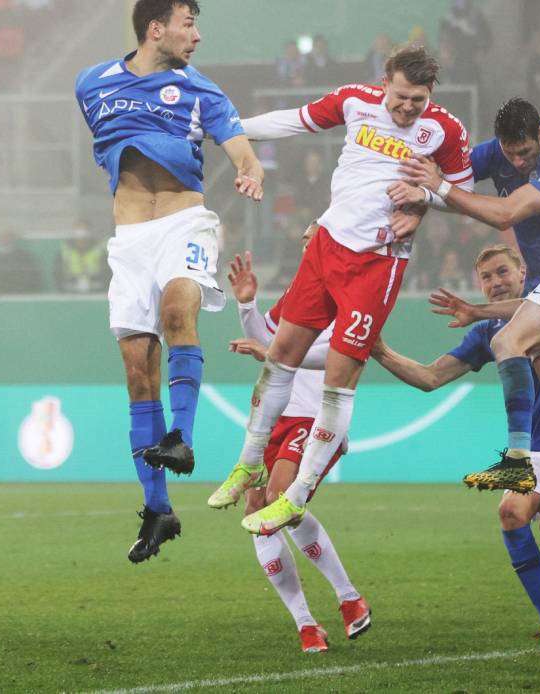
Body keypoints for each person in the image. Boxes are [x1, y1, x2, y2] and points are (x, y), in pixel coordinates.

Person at [217, 45, 473, 536]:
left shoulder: (446, 130)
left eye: (417, 100)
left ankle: (294, 496)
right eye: (400, 97)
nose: (406, 109)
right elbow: (293, 120)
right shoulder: (356, 101)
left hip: (377, 264)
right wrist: (231, 128)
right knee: (280, 358)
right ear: (385, 82)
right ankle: (249, 462)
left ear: (430, 94)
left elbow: (463, 193)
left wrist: (423, 200)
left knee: (339, 382)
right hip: (328, 243)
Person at [370, 244, 540, 660]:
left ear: (523, 272)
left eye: (502, 272)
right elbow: (430, 377)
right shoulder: (487, 334)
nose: (495, 282)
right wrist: (379, 350)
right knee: (511, 514)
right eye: (487, 277)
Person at [75, 0, 265, 563]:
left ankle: (180, 436)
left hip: (185, 221)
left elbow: (243, 154)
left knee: (176, 314)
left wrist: (249, 173)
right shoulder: (92, 84)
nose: (197, 36)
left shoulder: (202, 92)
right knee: (138, 371)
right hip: (128, 240)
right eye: (189, 24)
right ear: (156, 29)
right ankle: (158, 510)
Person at [393, 97, 540, 518]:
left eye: (525, 152)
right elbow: (445, 175)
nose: (517, 162)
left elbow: (504, 214)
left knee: (507, 342)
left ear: (539, 135)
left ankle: (517, 461)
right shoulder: (495, 153)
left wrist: (436, 187)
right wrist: (419, 201)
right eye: (509, 152)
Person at [211, 230, 372, 652]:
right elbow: (268, 339)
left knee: (279, 499)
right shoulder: (301, 292)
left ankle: (348, 599)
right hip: (277, 417)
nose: (307, 244)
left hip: (316, 418)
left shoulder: (355, 294)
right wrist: (247, 303)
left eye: (314, 237)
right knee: (257, 506)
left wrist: (273, 355)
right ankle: (309, 621)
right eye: (303, 239)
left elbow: (337, 355)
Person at [54, 224, 109, 293]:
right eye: (78, 233)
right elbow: (58, 276)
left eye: (85, 233)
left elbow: (107, 276)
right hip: (69, 293)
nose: (82, 238)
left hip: (96, 292)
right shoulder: (65, 253)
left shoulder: (99, 252)